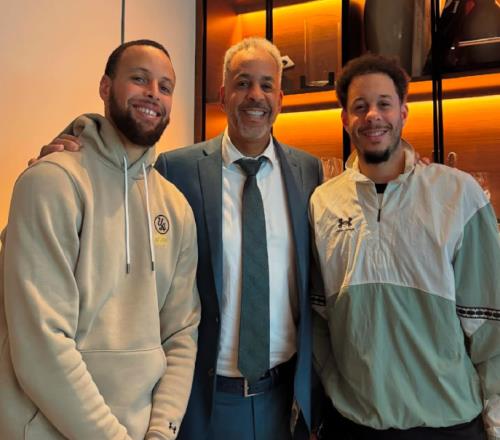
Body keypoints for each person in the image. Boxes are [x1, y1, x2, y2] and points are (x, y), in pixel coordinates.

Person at [34, 37, 323, 440]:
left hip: (284, 398)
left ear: (280, 98)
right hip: (201, 400)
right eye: (242, 83)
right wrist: (63, 162)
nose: (255, 96)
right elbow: (120, 196)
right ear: (222, 95)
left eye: (266, 85)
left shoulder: (309, 171)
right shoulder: (177, 170)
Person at [0, 39, 200, 440]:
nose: (153, 94)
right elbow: (42, 344)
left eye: (165, 87)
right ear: (106, 87)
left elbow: (181, 333)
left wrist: (161, 432)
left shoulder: (176, 207)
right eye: (139, 79)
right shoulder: (51, 182)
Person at [309, 53, 500, 440]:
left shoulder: (458, 194)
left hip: (448, 424)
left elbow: (491, 323)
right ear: (344, 119)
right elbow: (318, 318)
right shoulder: (322, 202)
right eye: (359, 106)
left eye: (384, 104)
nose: (372, 116)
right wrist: (333, 386)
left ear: (403, 112)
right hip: (352, 424)